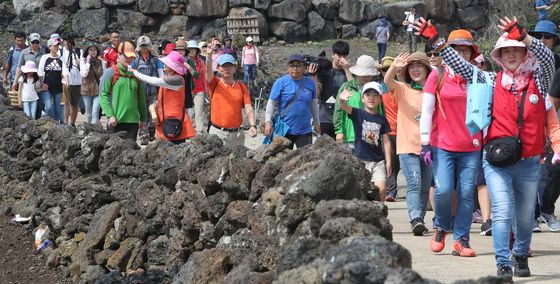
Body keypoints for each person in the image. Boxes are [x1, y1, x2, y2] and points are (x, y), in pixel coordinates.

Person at [414, 15, 560, 280]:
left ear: (525, 53)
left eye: (517, 49)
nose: (512, 54)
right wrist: (436, 39)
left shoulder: (539, 79)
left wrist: (524, 36)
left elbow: (549, 59)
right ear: (499, 56)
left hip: (528, 161)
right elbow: (460, 65)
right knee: (502, 210)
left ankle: (519, 254)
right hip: (496, 160)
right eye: (506, 50)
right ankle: (503, 263)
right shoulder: (490, 80)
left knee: (525, 217)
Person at [420, 29, 483, 257]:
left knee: (467, 193)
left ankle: (461, 239)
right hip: (442, 144)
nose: (461, 54)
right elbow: (427, 110)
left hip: (471, 146)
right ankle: (441, 227)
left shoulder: (477, 75)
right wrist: (425, 142)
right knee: (445, 189)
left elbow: (486, 110)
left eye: (465, 50)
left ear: (471, 53)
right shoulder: (436, 75)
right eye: (456, 49)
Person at [384, 51, 432, 236]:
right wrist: (393, 68)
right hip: (407, 145)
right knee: (414, 182)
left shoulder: (434, 89)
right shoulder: (403, 88)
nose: (415, 69)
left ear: (427, 69)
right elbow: (388, 83)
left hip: (429, 146)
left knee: (425, 186)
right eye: (411, 66)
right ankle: (415, 218)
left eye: (419, 65)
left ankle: (418, 218)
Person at [338, 82, 392, 200]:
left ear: (381, 99)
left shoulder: (382, 119)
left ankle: (379, 213)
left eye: (375, 95)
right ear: (362, 98)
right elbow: (344, 106)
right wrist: (342, 100)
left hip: (378, 160)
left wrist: (388, 161)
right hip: (361, 159)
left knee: (381, 189)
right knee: (362, 190)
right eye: (368, 95)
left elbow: (386, 141)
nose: (371, 98)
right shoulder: (358, 113)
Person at [131, 51, 196, 144]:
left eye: (167, 63)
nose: (164, 64)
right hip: (166, 121)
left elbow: (154, 81)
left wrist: (135, 72)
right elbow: (165, 98)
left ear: (173, 66)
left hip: (174, 123)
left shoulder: (177, 79)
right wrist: (155, 105)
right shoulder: (169, 77)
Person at [264, 54, 320, 148]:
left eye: (298, 65)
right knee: (283, 160)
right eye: (292, 65)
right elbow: (271, 103)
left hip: (305, 130)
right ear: (288, 68)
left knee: (305, 160)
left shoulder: (310, 83)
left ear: (304, 68)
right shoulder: (280, 82)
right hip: (285, 130)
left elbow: (313, 104)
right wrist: (268, 122)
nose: (295, 68)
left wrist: (317, 123)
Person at [205, 48, 257, 146]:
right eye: (224, 66)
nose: (226, 69)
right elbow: (208, 71)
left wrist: (253, 125)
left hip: (237, 134)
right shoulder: (214, 83)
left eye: (229, 66)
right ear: (218, 69)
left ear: (234, 68)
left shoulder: (242, 87)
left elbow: (248, 107)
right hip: (218, 133)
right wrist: (209, 55)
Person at [99, 41, 146, 141]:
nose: (129, 59)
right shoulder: (110, 72)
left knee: (130, 153)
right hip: (115, 121)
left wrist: (143, 118)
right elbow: (103, 95)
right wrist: (110, 115)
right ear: (119, 55)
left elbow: (141, 98)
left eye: (131, 57)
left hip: (133, 122)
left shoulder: (135, 74)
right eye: (126, 56)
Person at [333, 55, 378, 149]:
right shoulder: (347, 87)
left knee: (369, 160)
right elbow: (338, 110)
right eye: (363, 75)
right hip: (350, 134)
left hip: (370, 133)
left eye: (368, 75)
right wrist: (339, 131)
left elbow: (380, 111)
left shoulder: (376, 88)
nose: (366, 77)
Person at [316, 41, 352, 139]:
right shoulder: (324, 70)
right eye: (339, 56)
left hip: (343, 118)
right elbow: (317, 95)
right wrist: (313, 76)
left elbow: (353, 90)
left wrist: (347, 69)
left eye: (344, 56)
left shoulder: (349, 72)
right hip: (325, 118)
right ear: (333, 55)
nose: (342, 59)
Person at [132, 36, 164, 145]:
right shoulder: (134, 60)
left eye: (146, 46)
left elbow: (161, 75)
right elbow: (131, 74)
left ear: (150, 47)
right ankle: (143, 136)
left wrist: (162, 86)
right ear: (138, 47)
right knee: (142, 114)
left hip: (154, 92)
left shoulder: (156, 60)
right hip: (140, 92)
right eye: (142, 46)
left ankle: (151, 132)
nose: (144, 48)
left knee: (153, 113)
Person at [377, 57, 400, 202]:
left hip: (402, 131)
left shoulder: (401, 87)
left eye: (390, 69)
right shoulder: (377, 89)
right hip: (386, 131)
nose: (387, 72)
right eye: (385, 69)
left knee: (398, 162)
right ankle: (390, 191)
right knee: (388, 161)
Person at [37, 38, 64, 123]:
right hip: (47, 86)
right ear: (49, 46)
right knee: (48, 107)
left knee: (57, 108)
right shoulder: (45, 57)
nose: (57, 47)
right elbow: (40, 72)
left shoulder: (61, 58)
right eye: (55, 45)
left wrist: (66, 80)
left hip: (58, 87)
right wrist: (42, 84)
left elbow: (65, 72)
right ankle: (48, 123)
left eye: (58, 45)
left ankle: (56, 126)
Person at [80, 42, 104, 124]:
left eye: (94, 49)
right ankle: (90, 129)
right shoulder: (83, 61)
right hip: (86, 90)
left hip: (98, 90)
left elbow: (104, 75)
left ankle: (94, 131)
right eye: (90, 50)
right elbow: (84, 74)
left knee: (95, 112)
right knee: (89, 113)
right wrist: (87, 62)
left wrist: (103, 62)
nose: (93, 51)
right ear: (87, 51)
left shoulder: (101, 61)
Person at [186, 40, 207, 134]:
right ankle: (188, 132)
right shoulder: (184, 61)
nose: (191, 51)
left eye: (193, 49)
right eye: (189, 49)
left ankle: (200, 132)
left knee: (199, 112)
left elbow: (203, 76)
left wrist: (206, 90)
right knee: (189, 113)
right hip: (187, 91)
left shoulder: (201, 61)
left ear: (197, 50)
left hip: (199, 90)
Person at [61, 34, 83, 126]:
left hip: (77, 81)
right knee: (66, 102)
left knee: (74, 104)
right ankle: (65, 122)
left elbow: (83, 66)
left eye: (65, 42)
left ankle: (72, 123)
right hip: (66, 80)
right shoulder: (62, 52)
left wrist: (80, 63)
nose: (64, 44)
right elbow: (64, 67)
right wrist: (66, 78)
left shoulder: (79, 51)